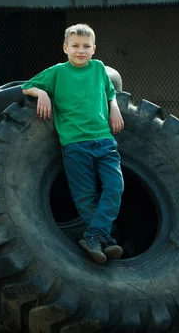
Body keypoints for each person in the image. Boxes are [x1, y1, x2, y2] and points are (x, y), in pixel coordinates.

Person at [21, 23, 125, 264]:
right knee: (85, 195)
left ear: (94, 49)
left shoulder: (99, 68)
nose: (81, 50)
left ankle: (94, 236)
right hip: (75, 143)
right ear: (65, 47)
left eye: (86, 46)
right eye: (75, 46)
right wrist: (43, 94)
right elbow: (28, 86)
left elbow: (110, 93)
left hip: (104, 140)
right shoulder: (57, 72)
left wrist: (115, 109)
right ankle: (101, 239)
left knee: (114, 186)